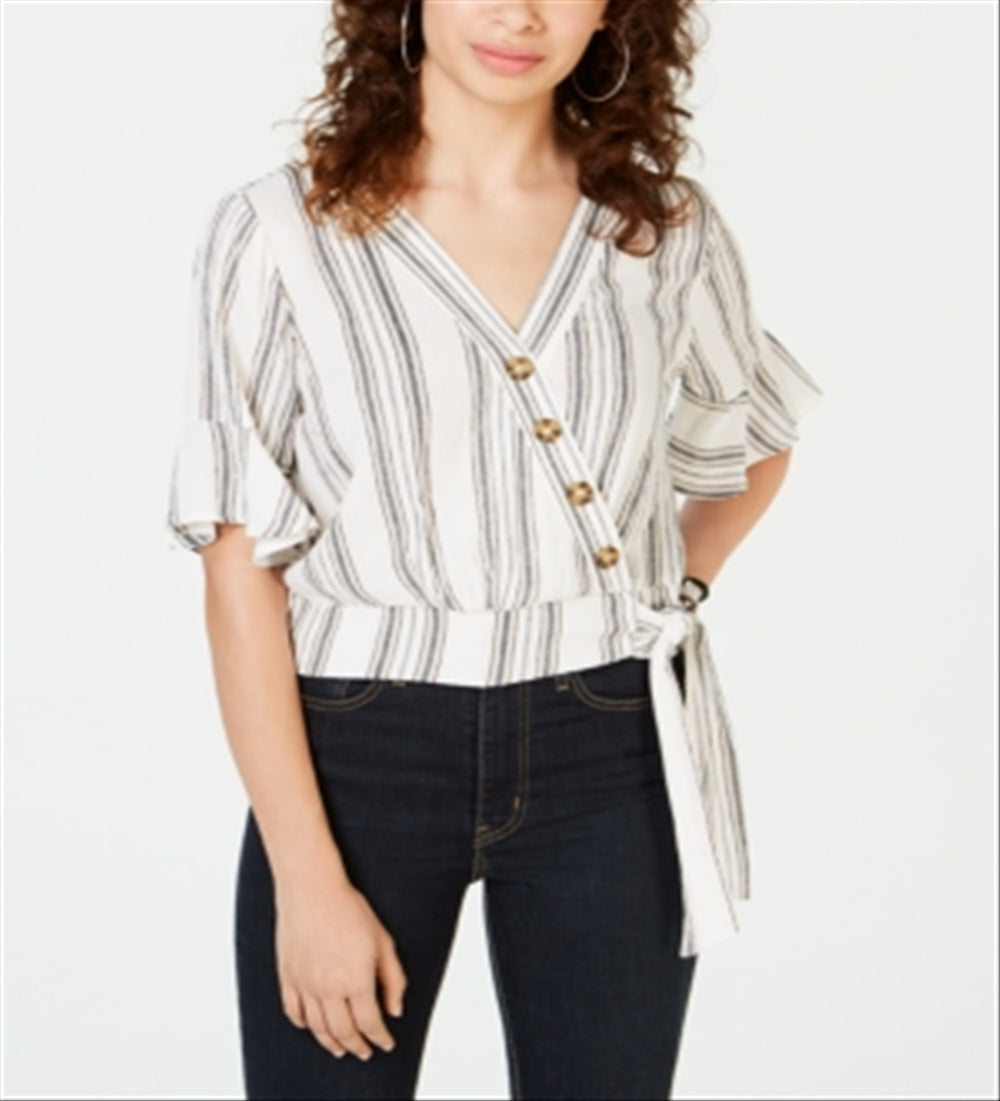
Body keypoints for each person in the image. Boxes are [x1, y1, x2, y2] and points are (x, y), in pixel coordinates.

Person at [165, 1, 824, 1097]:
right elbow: (239, 566)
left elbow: (751, 440)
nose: (518, 13)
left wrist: (676, 586)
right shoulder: (280, 231)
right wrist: (306, 879)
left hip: (610, 747)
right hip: (358, 753)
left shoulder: (661, 228)